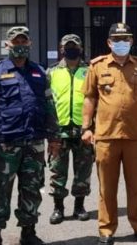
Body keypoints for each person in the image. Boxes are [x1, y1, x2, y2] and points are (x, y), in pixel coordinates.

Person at [0, 26, 61, 245]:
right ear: (7, 45)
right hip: (5, 143)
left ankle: (28, 232)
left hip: (34, 142)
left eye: (23, 42)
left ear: (30, 44)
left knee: (32, 189)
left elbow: (48, 105)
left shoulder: (39, 72)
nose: (20, 46)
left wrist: (54, 138)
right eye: (15, 43)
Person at [81, 23, 137, 245]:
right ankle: (106, 229)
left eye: (125, 39)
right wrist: (86, 127)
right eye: (117, 39)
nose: (121, 43)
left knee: (136, 186)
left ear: (132, 41)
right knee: (107, 187)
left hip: (135, 136)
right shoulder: (97, 66)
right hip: (106, 136)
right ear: (109, 42)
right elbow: (90, 98)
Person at [47, 34, 93, 224]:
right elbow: (46, 102)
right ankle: (58, 208)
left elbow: (95, 100)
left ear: (81, 49)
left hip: (84, 129)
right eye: (67, 46)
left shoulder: (90, 71)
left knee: (83, 170)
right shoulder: (51, 72)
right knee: (57, 170)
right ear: (61, 49)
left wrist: (91, 126)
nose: (70, 49)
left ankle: (79, 206)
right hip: (59, 130)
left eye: (74, 46)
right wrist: (49, 129)